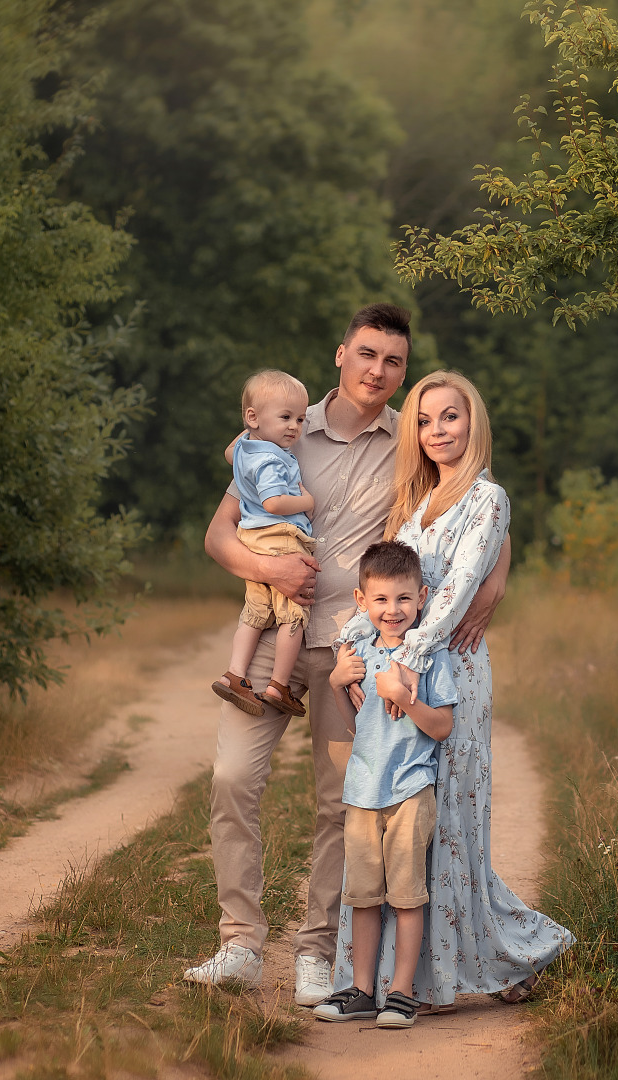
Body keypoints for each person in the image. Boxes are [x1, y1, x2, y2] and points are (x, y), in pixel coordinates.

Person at [188, 305, 514, 1007]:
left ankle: (314, 951)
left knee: (342, 804)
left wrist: (495, 584)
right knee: (232, 781)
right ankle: (240, 943)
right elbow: (218, 535)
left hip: (355, 651)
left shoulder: (410, 436)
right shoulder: (283, 423)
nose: (378, 371)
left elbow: (478, 502)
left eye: (393, 361)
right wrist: (269, 570)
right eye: (367, 354)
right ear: (340, 355)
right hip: (277, 636)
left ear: (403, 370)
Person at [332, 370, 573, 1009]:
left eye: (451, 417)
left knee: (451, 824)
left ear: (474, 423)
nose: (438, 431)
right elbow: (392, 589)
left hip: (449, 672)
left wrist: (407, 661)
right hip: (393, 671)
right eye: (425, 419)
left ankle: (492, 960)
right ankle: (397, 977)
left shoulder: (487, 499)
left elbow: (455, 593)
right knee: (402, 828)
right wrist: (353, 649)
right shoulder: (415, 503)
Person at [312, 541, 457, 1029]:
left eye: (403, 598)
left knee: (407, 894)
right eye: (381, 600)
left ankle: (401, 992)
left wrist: (402, 695)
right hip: (362, 791)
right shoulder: (356, 656)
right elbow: (355, 725)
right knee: (364, 894)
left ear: (422, 598)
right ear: (361, 600)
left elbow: (441, 727)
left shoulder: (430, 657)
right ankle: (360, 989)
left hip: (410, 789)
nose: (392, 610)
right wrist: (336, 683)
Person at [210, 370, 316, 718]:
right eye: (285, 417)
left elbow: (228, 452)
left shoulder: (243, 448)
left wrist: (251, 431)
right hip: (279, 537)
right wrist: (306, 502)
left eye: (299, 419)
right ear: (253, 417)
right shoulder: (272, 458)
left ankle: (235, 676)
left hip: (252, 540)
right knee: (292, 615)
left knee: (255, 612)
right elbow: (274, 503)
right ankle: (279, 685)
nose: (294, 427)